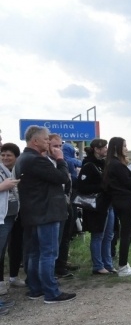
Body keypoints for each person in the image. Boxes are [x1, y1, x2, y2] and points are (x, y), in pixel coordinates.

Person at [14, 125, 76, 303]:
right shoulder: (36, 160)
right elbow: (62, 177)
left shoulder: (23, 158)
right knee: (48, 253)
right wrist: (61, 159)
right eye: (46, 139)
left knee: (35, 253)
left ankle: (36, 289)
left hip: (32, 212)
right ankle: (51, 292)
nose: (49, 142)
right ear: (35, 141)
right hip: (47, 211)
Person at [104, 137, 131, 276]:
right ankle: (123, 267)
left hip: (117, 200)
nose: (126, 148)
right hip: (126, 201)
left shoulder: (111, 164)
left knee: (128, 232)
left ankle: (123, 262)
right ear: (117, 148)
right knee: (126, 233)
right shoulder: (117, 165)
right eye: (124, 146)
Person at [77, 139, 116, 275]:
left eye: (106, 147)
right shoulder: (88, 165)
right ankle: (98, 266)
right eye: (103, 147)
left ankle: (108, 264)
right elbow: (81, 186)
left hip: (108, 204)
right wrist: (102, 187)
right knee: (98, 235)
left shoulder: (104, 164)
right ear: (96, 149)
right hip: (97, 206)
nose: (106, 149)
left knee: (109, 236)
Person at [49, 135, 79, 278]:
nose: (58, 149)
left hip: (67, 202)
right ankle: (53, 270)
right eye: (55, 146)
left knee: (65, 236)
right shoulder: (48, 163)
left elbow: (68, 181)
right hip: (54, 206)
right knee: (55, 240)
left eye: (60, 146)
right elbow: (61, 179)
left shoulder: (63, 162)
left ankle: (61, 266)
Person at [0, 143, 24, 290]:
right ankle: (1, 282)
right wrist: (3, 186)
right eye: (3, 155)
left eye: (9, 155)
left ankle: (14, 277)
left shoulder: (19, 169)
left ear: (16, 157)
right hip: (3, 216)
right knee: (1, 249)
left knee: (16, 246)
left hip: (17, 213)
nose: (5, 158)